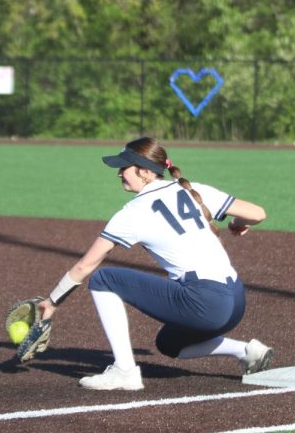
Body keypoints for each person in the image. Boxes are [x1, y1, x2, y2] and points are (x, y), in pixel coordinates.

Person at [38, 136, 273, 391]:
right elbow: (258, 214)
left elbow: (85, 266)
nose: (119, 174)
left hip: (205, 303)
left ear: (146, 172)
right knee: (169, 344)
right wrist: (236, 224)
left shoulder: (132, 212)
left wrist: (52, 301)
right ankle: (247, 351)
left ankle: (124, 371)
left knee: (103, 280)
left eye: (124, 167)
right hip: (235, 301)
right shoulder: (192, 189)